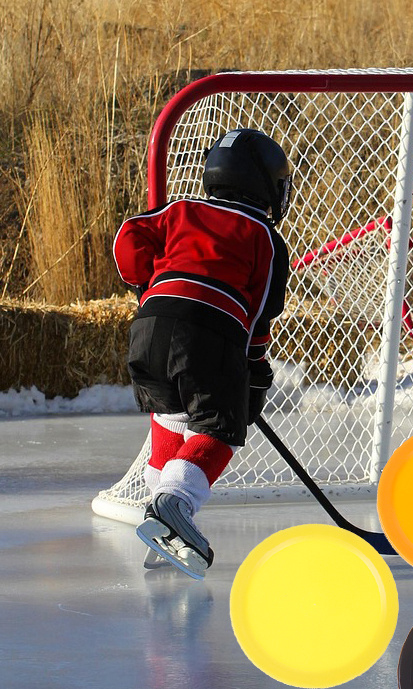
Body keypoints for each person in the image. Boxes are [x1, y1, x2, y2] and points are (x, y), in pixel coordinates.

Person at [113, 128, 293, 579]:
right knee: (220, 429)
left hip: (148, 328)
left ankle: (161, 521)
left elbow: (127, 236)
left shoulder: (180, 209)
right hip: (210, 333)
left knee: (170, 414)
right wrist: (253, 372)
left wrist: (147, 284)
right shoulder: (265, 237)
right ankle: (175, 503)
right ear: (267, 185)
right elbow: (258, 314)